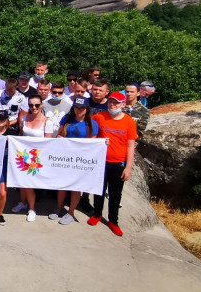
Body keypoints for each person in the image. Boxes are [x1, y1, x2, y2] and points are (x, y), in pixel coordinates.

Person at [88, 91, 137, 237]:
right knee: (98, 191)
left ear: (123, 104)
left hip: (118, 164)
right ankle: (97, 214)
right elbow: (91, 132)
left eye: (116, 102)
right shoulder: (100, 117)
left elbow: (130, 146)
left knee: (115, 194)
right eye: (110, 102)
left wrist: (128, 168)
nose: (112, 105)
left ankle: (113, 221)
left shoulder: (129, 121)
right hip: (100, 162)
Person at [51, 96, 99, 225]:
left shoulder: (92, 124)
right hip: (64, 158)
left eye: (82, 108)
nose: (78, 110)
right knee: (61, 185)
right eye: (76, 107)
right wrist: (60, 138)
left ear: (86, 109)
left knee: (76, 187)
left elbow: (93, 146)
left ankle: (71, 212)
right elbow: (58, 135)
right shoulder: (66, 119)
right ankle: (60, 208)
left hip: (80, 160)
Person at [16, 95, 51, 222]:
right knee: (22, 183)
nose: (34, 107)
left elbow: (48, 142)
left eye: (37, 105)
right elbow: (21, 135)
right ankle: (23, 202)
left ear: (41, 105)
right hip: (24, 155)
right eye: (31, 105)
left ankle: (32, 209)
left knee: (29, 184)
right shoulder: (24, 118)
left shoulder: (48, 121)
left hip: (37, 158)